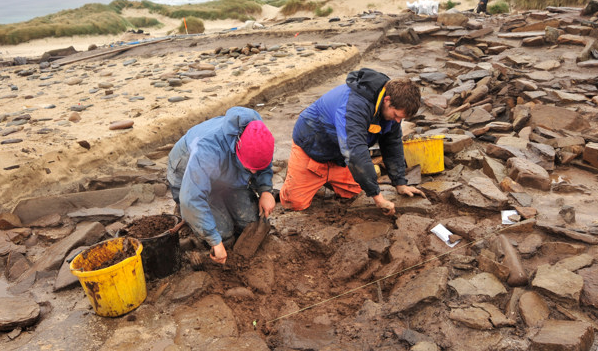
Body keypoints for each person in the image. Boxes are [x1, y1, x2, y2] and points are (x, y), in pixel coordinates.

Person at [280, 68, 425, 216]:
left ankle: (326, 178)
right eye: (396, 115)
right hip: (312, 148)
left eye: (401, 118)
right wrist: (378, 198)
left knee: (354, 192)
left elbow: (392, 143)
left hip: (339, 155)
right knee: (295, 204)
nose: (398, 121)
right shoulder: (354, 106)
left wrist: (400, 183)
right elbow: (355, 153)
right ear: (387, 100)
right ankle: (298, 175)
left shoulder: (389, 107)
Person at [167, 106, 275, 264]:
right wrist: (215, 242)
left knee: (249, 223)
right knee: (224, 236)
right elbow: (193, 198)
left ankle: (210, 212)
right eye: (250, 167)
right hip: (189, 177)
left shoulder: (258, 133)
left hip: (228, 172)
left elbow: (263, 164)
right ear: (238, 146)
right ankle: (186, 213)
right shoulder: (208, 151)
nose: (253, 171)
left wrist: (266, 191)